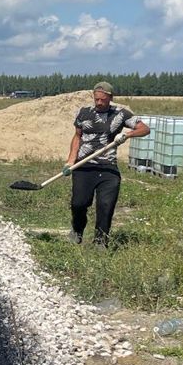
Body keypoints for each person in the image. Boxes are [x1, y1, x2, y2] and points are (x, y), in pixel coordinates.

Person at [65, 82, 149, 245]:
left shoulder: (121, 114)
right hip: (83, 166)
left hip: (108, 168)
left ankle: (100, 241)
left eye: (103, 100)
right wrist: (70, 160)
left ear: (110, 98)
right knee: (78, 203)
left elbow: (145, 129)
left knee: (106, 205)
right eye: (96, 99)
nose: (99, 103)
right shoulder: (83, 113)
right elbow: (77, 137)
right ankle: (77, 230)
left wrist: (127, 135)